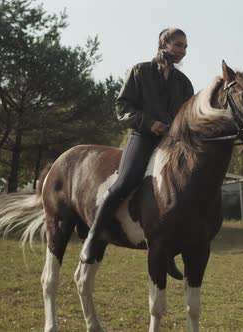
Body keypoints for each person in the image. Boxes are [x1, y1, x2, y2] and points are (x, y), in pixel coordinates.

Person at [80, 28, 194, 263]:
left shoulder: (183, 83)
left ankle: (166, 250)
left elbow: (188, 117)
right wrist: (149, 123)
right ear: (164, 42)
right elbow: (122, 107)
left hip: (171, 144)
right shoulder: (140, 71)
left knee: (178, 191)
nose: (182, 51)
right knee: (125, 182)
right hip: (142, 137)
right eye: (178, 45)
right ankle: (93, 237)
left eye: (185, 46)